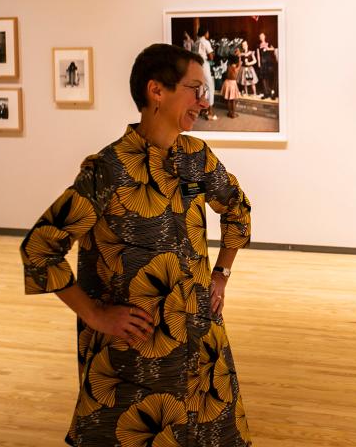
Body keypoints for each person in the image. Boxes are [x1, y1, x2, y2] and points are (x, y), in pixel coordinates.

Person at [20, 43, 253, 447]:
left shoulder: (197, 157)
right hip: (136, 356)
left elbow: (237, 207)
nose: (202, 99)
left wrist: (222, 273)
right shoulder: (107, 170)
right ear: (156, 91)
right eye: (193, 88)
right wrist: (94, 314)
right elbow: (41, 246)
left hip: (201, 344)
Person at [192, 27, 219, 121]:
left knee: (201, 87)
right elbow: (211, 57)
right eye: (208, 33)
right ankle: (210, 113)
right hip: (203, 64)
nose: (208, 34)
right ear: (205, 33)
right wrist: (213, 51)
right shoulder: (205, 42)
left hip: (196, 65)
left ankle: (201, 110)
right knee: (210, 87)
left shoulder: (195, 42)